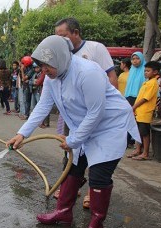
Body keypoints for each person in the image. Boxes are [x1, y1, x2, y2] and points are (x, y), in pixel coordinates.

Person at [6, 35, 140, 228]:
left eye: (47, 66)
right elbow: (43, 106)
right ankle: (63, 212)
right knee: (72, 169)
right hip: (84, 127)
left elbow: (97, 112)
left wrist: (74, 140)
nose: (44, 71)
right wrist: (22, 134)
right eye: (42, 67)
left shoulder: (88, 72)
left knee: (98, 176)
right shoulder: (52, 78)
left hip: (109, 128)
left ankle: (96, 225)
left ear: (60, 58)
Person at [54, 17, 119, 207]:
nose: (60, 40)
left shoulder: (95, 48)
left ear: (76, 32)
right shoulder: (61, 55)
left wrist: (107, 111)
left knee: (96, 155)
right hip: (73, 116)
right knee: (70, 151)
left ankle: (93, 191)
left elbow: (111, 77)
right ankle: (67, 186)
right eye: (57, 36)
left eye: (64, 35)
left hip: (96, 114)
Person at [128, 61, 161, 161]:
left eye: (148, 71)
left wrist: (134, 107)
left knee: (145, 133)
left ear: (155, 72)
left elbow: (145, 98)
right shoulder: (146, 82)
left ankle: (145, 153)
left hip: (145, 112)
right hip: (139, 111)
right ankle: (138, 150)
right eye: (145, 71)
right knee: (138, 131)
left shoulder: (153, 83)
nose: (145, 72)